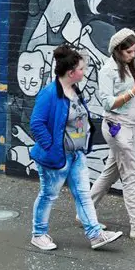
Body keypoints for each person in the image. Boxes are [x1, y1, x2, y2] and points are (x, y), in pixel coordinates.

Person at [29, 44, 123, 251]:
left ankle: (95, 235)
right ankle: (38, 234)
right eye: (81, 69)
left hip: (76, 155)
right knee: (48, 195)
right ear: (71, 73)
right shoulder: (49, 94)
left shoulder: (74, 90)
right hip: (56, 157)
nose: (84, 72)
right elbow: (36, 123)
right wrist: (52, 148)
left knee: (83, 194)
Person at [90, 28, 135, 243]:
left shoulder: (126, 66)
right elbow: (108, 103)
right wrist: (134, 91)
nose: (133, 55)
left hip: (128, 126)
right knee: (130, 177)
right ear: (118, 51)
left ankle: (85, 211)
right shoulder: (108, 71)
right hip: (117, 127)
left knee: (111, 172)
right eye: (129, 52)